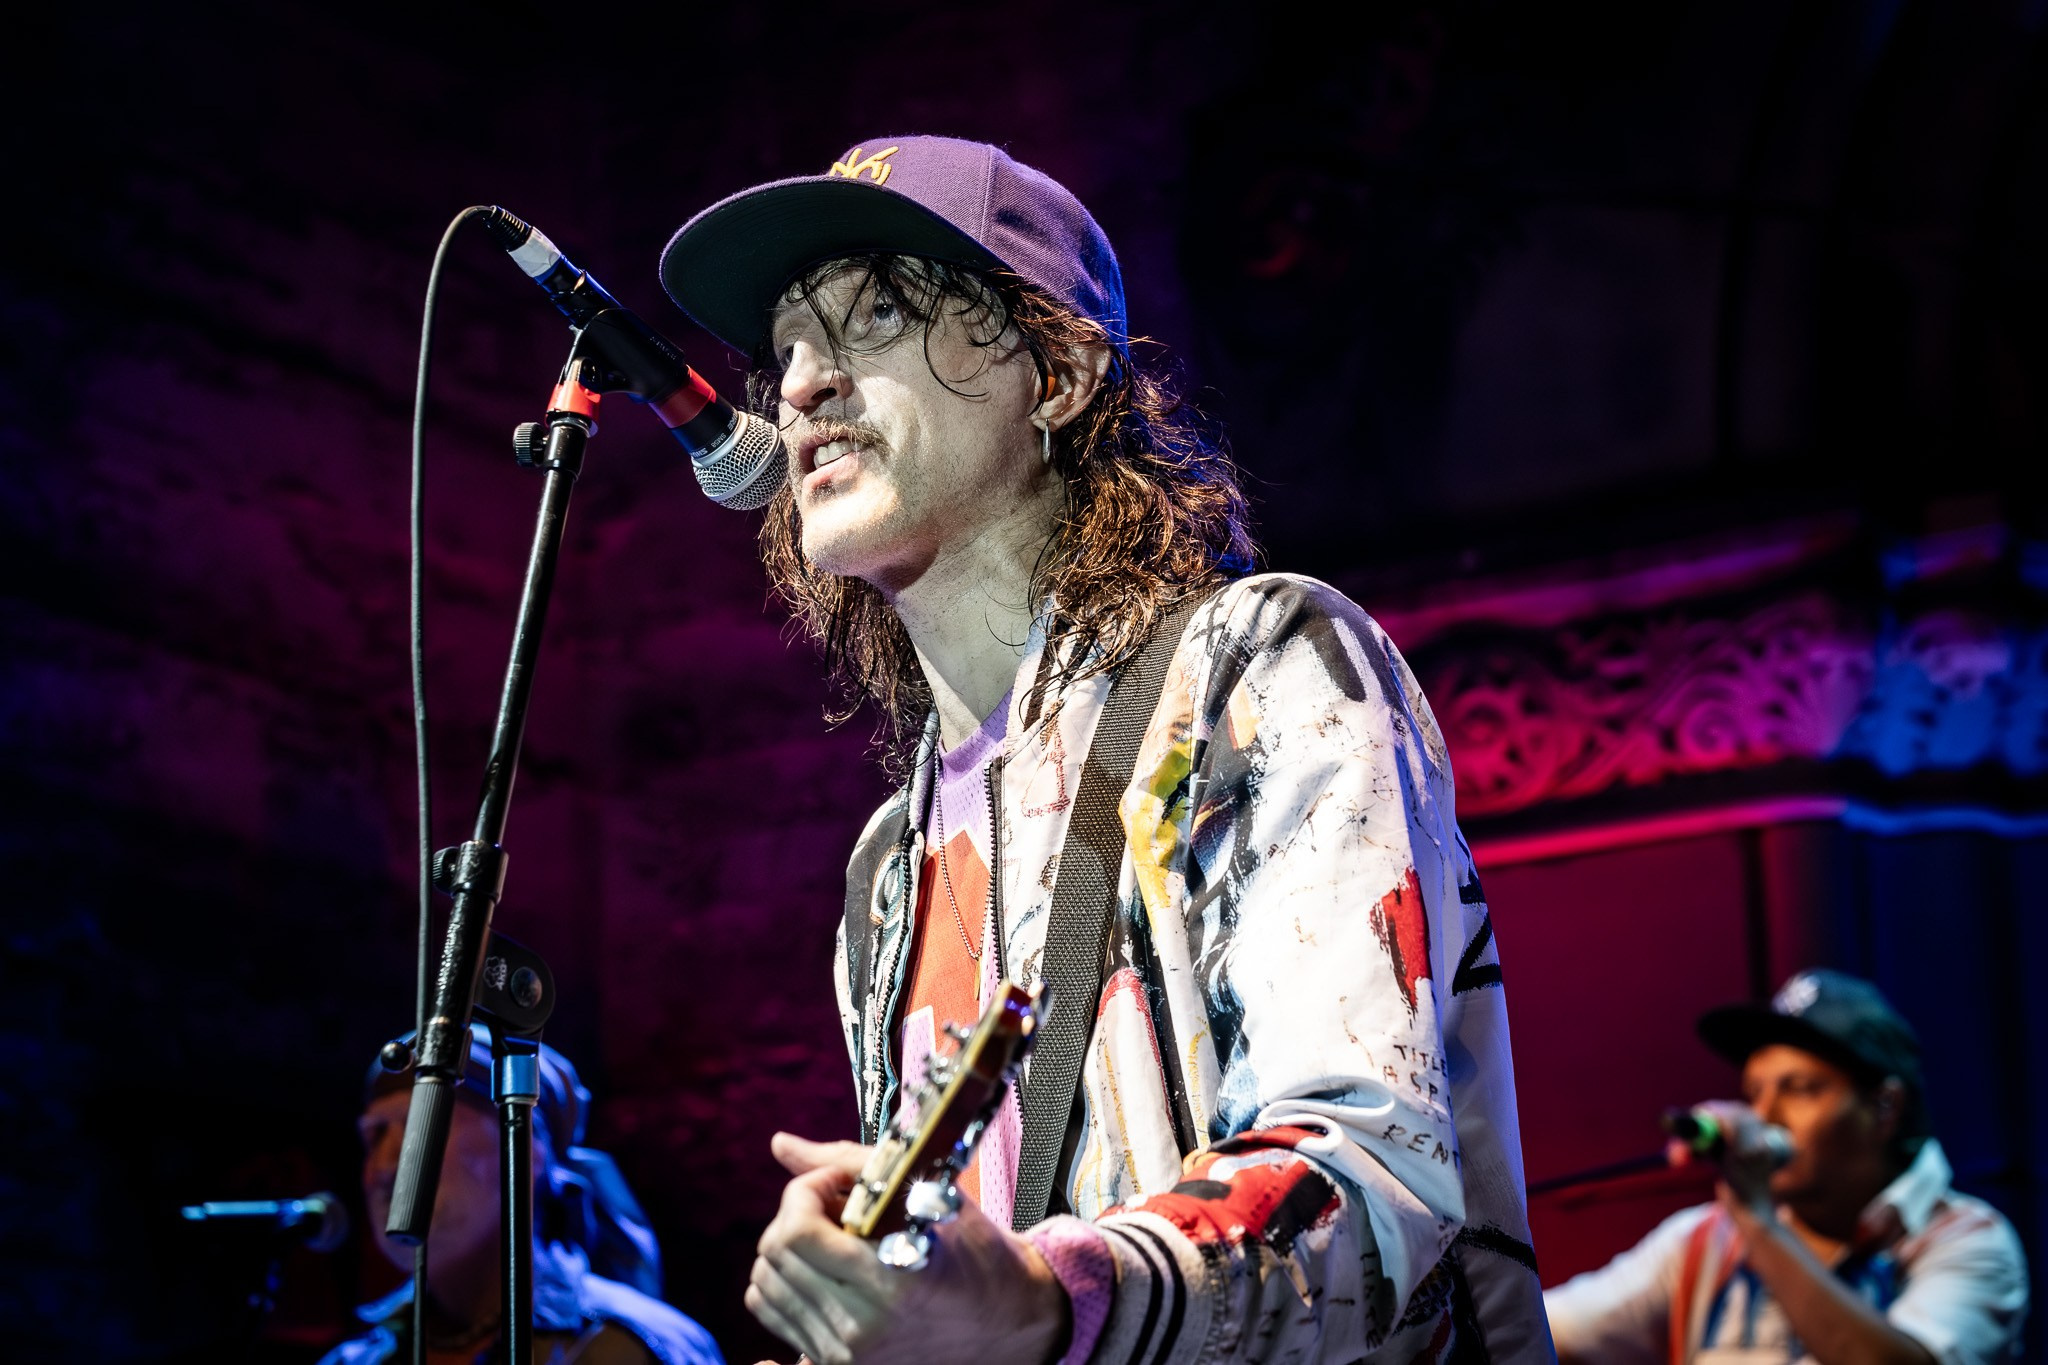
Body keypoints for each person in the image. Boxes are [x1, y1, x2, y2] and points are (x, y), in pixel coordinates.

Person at [655, 135, 1551, 1363]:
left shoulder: (1258, 668)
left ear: (1060, 372)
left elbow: (1364, 1181)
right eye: (787, 343)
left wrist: (1035, 1302)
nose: (801, 382)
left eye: (876, 310)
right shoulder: (886, 871)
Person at [1544, 968, 2029, 1363]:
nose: (1765, 1117)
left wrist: (1758, 1222)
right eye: (1755, 1093)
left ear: (1885, 1108)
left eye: (1799, 1089)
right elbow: (1543, 1330)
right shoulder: (1703, 1241)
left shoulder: (1968, 1242)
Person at [321, 1026, 725, 1365]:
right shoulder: (356, 1360)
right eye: (374, 1135)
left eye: (421, 1125)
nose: (387, 1165)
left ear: (526, 1151)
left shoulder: (630, 1349)